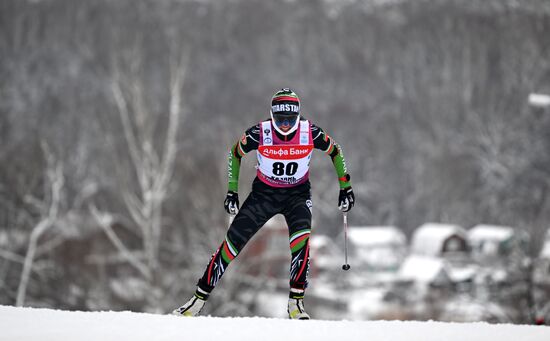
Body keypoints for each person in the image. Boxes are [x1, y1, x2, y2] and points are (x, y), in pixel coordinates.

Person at [173, 88, 355, 319]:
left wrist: (345, 187)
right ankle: (197, 300)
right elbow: (235, 154)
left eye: (290, 119)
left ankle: (295, 305)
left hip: (297, 195)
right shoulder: (260, 132)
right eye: (281, 119)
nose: (286, 125)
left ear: (298, 115)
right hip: (264, 195)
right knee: (231, 246)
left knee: (301, 244)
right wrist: (232, 192)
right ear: (272, 115)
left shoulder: (310, 132)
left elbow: (335, 151)